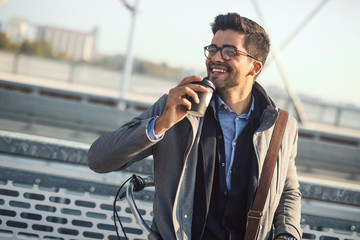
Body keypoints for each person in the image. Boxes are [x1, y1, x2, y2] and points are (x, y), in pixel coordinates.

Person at [88, 12, 302, 240]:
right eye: (213, 49)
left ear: (255, 67)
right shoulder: (177, 106)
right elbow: (98, 160)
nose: (216, 58)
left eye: (229, 51)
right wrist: (161, 124)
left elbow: (288, 191)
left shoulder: (281, 126)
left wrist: (287, 234)